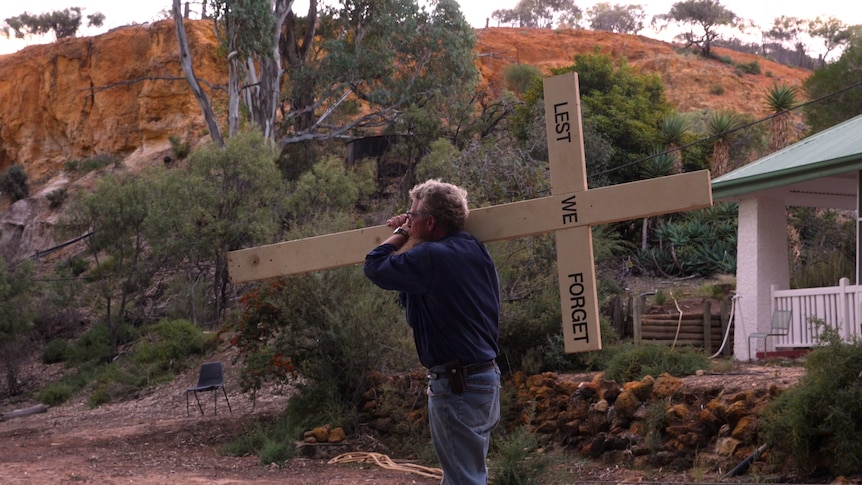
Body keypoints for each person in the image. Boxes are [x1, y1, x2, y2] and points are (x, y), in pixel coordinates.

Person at [364, 179, 502, 485]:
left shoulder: (431, 258)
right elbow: (413, 299)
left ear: (430, 221)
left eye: (412, 215)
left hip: (458, 386)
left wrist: (400, 235)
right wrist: (414, 237)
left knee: (463, 480)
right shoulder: (472, 248)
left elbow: (374, 266)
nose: (408, 219)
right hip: (484, 381)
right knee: (465, 476)